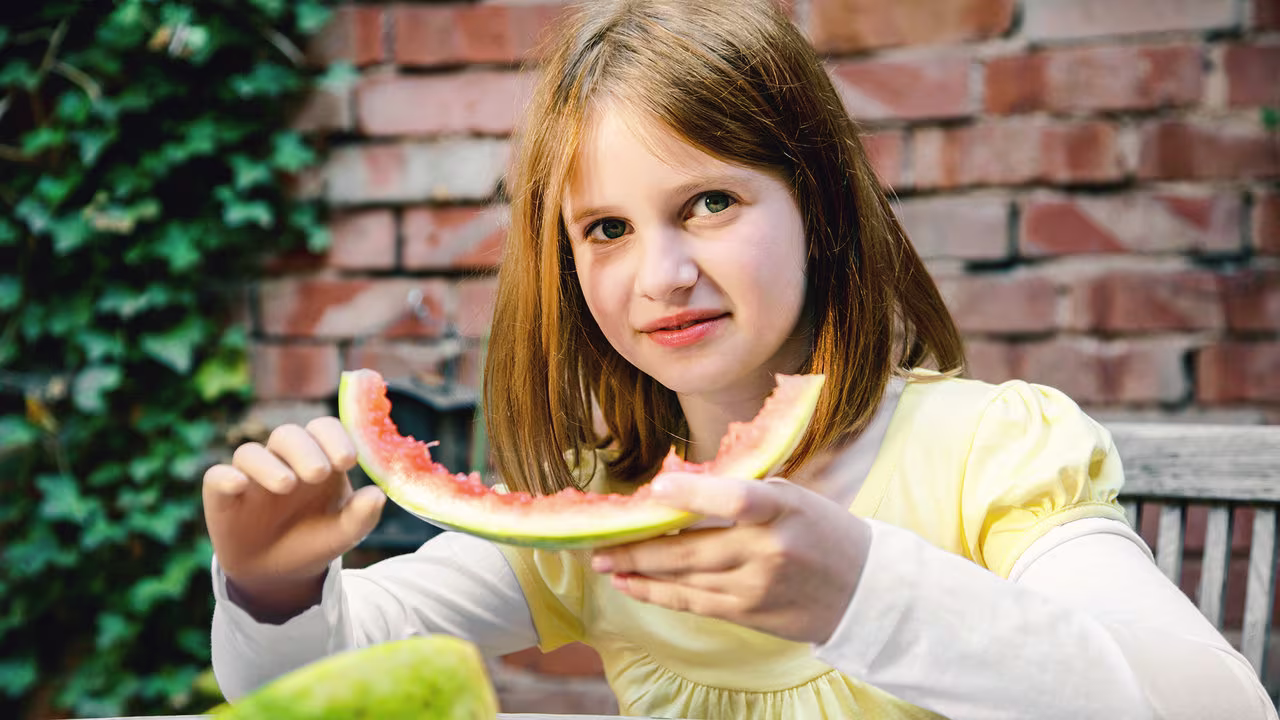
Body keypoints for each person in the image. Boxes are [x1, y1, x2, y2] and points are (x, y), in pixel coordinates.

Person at [202, 1, 1277, 717]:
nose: (658, 274)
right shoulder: (602, 505)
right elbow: (327, 677)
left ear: (813, 207)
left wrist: (863, 593)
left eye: (708, 202)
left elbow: (1211, 710)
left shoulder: (982, 455)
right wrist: (271, 591)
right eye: (605, 230)